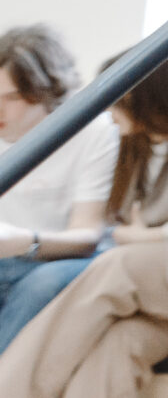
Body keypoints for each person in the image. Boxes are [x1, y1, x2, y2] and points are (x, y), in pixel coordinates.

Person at [0, 50, 168, 398]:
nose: (108, 112)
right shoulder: (142, 146)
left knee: (115, 267)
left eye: (115, 100)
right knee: (115, 349)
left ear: (146, 95)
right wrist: (137, 233)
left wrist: (147, 236)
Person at [0, 28, 116, 356]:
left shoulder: (92, 131)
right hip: (7, 257)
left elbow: (87, 235)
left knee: (41, 285)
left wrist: (24, 241)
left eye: (12, 98)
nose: (0, 109)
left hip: (65, 258)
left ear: (46, 92)